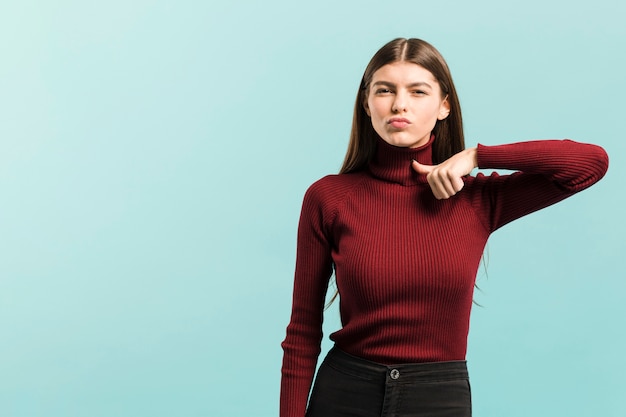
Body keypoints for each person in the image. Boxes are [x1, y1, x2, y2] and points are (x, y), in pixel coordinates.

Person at [280, 38, 609, 417]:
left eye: (417, 91)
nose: (399, 104)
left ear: (444, 106)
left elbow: (589, 164)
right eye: (384, 90)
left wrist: (478, 155)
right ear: (366, 102)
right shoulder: (329, 197)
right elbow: (302, 332)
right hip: (344, 392)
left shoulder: (478, 198)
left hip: (437, 397)